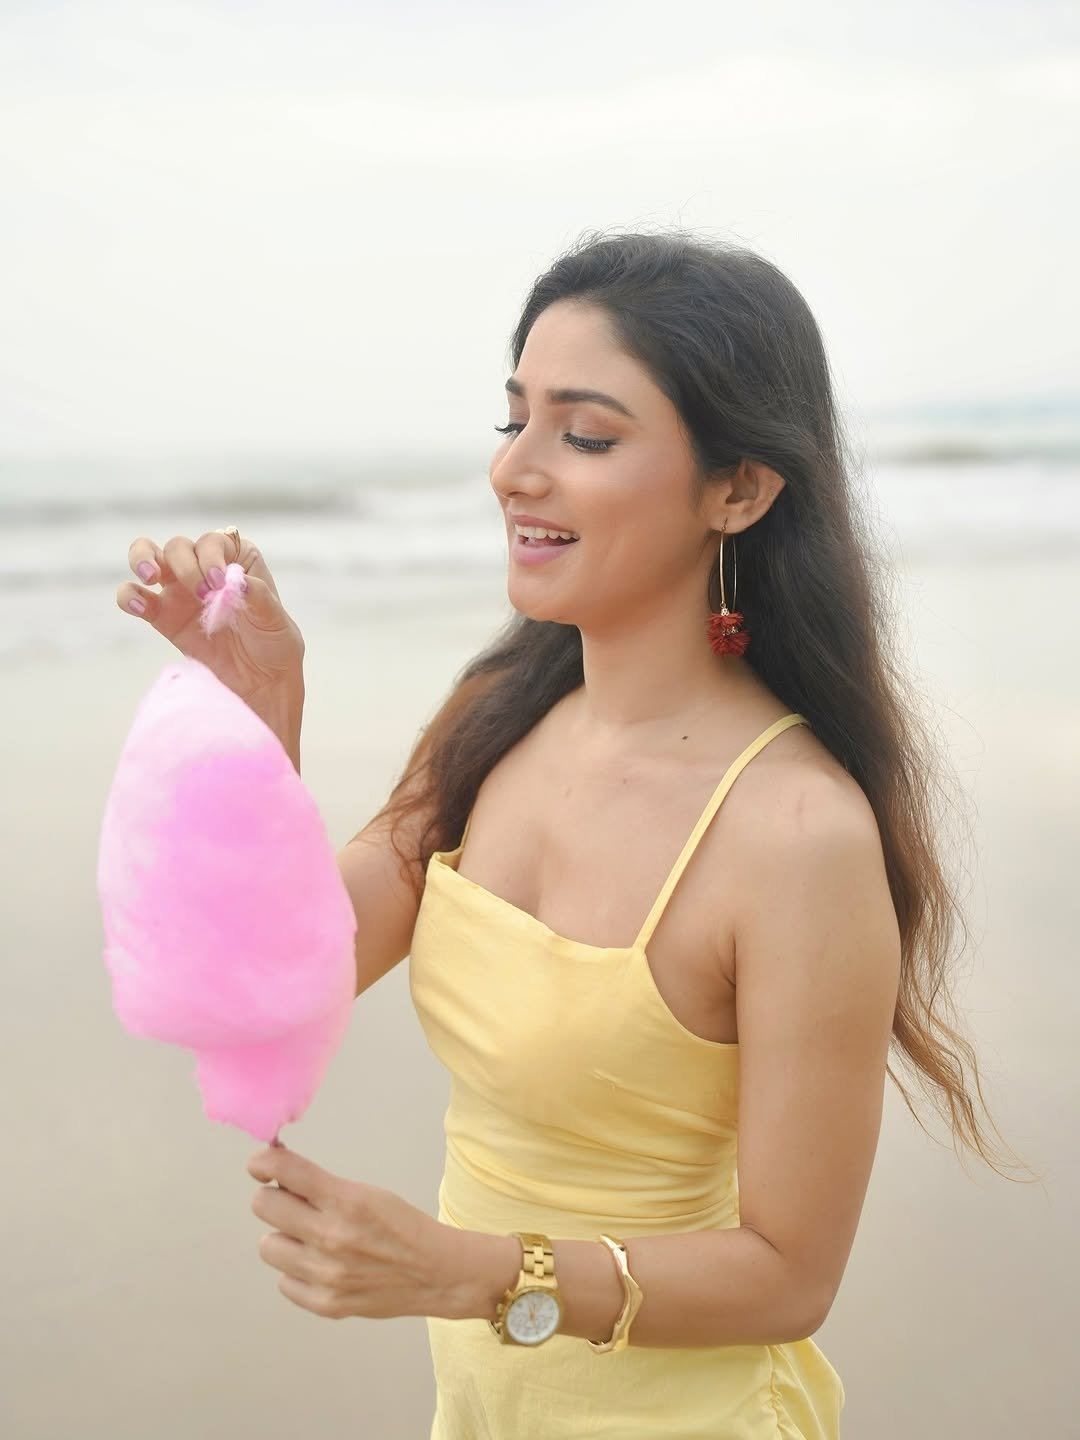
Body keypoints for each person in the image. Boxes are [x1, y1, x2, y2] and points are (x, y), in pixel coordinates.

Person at [118, 229, 1030, 1438]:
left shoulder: (797, 834)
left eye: (585, 435)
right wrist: (257, 720)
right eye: (514, 422)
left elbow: (791, 1276)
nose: (513, 473)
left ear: (741, 489)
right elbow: (282, 981)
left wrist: (471, 1271)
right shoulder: (494, 724)